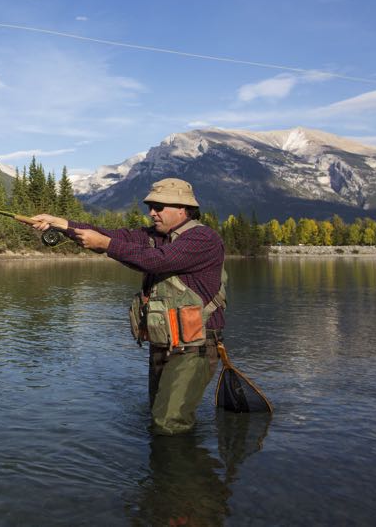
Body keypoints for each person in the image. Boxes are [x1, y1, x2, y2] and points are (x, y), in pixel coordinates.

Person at [24, 178, 226, 435]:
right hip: (164, 342)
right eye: (151, 206)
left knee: (169, 424)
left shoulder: (203, 238)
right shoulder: (155, 236)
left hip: (195, 346)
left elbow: (157, 261)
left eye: (159, 207)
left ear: (182, 209)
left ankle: (182, 473)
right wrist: (60, 224)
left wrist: (106, 246)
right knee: (158, 415)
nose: (152, 212)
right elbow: (110, 235)